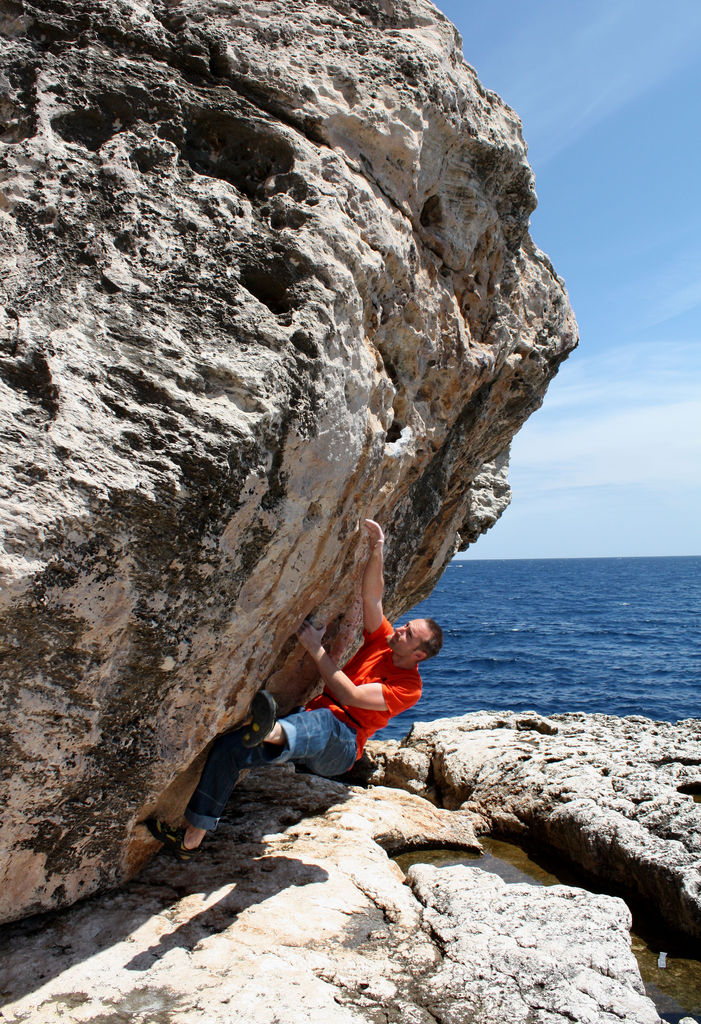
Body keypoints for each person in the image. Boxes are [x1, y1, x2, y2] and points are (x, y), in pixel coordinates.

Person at [146, 519, 443, 860]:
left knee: (325, 722)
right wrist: (378, 549)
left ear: (418, 655)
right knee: (230, 748)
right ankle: (192, 837)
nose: (401, 629)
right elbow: (373, 597)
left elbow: (350, 697)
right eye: (406, 625)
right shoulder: (384, 640)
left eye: (409, 634)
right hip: (309, 722)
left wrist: (316, 649)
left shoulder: (410, 687)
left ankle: (271, 731)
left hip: (342, 745)